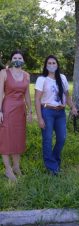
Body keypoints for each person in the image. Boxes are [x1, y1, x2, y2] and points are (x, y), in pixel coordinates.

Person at [35, 55, 77, 175]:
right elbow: (37, 100)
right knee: (47, 140)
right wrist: (40, 118)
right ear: (46, 65)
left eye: (54, 63)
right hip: (47, 112)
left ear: (57, 65)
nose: (52, 65)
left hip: (61, 113)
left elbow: (67, 96)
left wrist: (73, 107)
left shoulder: (62, 78)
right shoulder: (41, 79)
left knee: (62, 138)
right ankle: (52, 168)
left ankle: (53, 161)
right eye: (49, 63)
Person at [0, 50, 32, 181]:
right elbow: (0, 93)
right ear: (11, 60)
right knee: (6, 138)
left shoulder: (27, 75)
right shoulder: (3, 73)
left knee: (18, 138)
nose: (17, 59)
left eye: (20, 57)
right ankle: (8, 170)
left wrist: (30, 110)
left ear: (23, 60)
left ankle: (16, 167)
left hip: (20, 111)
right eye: (15, 57)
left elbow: (27, 95)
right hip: (7, 109)